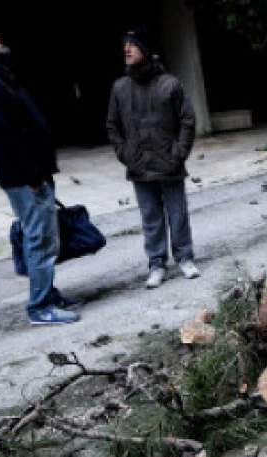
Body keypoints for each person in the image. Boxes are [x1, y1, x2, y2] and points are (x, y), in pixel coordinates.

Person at [0, 29, 80, 325]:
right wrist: (32, 175)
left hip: (32, 174)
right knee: (39, 239)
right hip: (25, 177)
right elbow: (0, 138)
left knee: (46, 238)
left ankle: (48, 295)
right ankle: (40, 307)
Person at [107, 26, 199, 289]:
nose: (126, 49)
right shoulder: (120, 88)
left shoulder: (170, 84)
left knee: (177, 213)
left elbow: (187, 120)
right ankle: (156, 263)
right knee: (150, 217)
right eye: (124, 45)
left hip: (169, 163)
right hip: (139, 166)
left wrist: (179, 152)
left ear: (146, 50)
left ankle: (185, 258)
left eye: (132, 45)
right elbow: (112, 126)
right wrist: (125, 154)